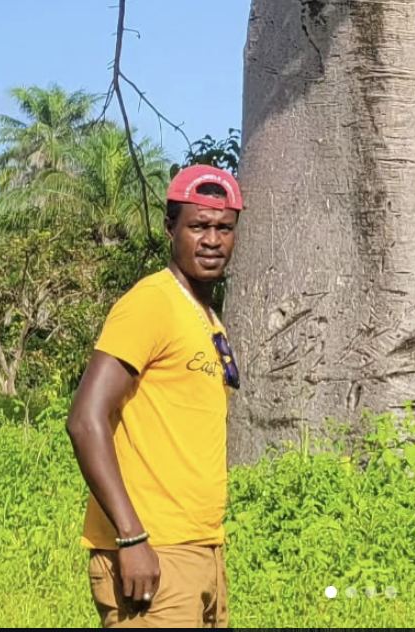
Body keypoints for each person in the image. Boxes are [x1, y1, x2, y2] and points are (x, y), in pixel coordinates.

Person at [66, 164, 243, 628]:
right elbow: (86, 420)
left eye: (223, 228)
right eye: (198, 226)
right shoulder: (151, 303)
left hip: (200, 549)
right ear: (170, 229)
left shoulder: (204, 316)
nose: (211, 240)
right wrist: (131, 538)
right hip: (153, 551)